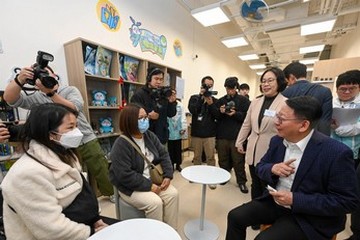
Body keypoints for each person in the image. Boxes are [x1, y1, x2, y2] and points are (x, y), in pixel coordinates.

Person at [226, 96, 359, 240]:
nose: (275, 122)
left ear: (303, 125)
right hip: (276, 203)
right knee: (235, 216)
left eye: (281, 119)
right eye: (277, 116)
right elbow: (260, 167)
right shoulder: (277, 141)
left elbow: (347, 202)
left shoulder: (336, 153)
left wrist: (295, 199)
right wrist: (272, 168)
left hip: (310, 215)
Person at [1, 103, 117, 240]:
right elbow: (51, 229)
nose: (77, 132)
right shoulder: (26, 174)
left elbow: (82, 193)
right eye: (70, 127)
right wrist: (91, 232)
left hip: (80, 226)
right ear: (51, 134)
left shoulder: (66, 155)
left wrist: (95, 220)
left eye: (76, 126)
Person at [3, 65, 114, 198]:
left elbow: (75, 109)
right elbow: (10, 100)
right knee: (76, 175)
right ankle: (84, 199)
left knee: (101, 170)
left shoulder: (69, 90)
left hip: (85, 138)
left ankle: (111, 194)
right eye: (39, 76)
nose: (44, 79)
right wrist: (19, 80)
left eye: (46, 75)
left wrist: (51, 93)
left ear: (54, 76)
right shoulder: (36, 97)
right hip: (61, 144)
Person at [109, 103, 179, 229]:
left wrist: (168, 175)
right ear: (130, 121)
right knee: (155, 203)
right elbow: (124, 175)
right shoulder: (121, 144)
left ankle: (170, 232)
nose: (145, 120)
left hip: (153, 180)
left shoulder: (149, 136)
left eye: (146, 117)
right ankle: (155, 235)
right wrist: (149, 186)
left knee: (173, 194)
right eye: (141, 118)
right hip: (130, 187)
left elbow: (164, 154)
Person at [235, 67, 287, 228]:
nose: (266, 84)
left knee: (268, 187)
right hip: (253, 149)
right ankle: (254, 217)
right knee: (255, 185)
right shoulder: (255, 102)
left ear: (279, 82)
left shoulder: (285, 103)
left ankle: (267, 219)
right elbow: (247, 124)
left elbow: (285, 129)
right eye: (263, 81)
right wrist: (239, 141)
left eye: (270, 80)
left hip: (272, 152)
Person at [330, 70, 360, 240]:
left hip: (352, 154)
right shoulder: (331, 103)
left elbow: (358, 128)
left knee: (349, 190)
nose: (347, 92)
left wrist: (337, 128)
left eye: (352, 88)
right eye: (343, 89)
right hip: (331, 152)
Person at [216, 77, 250, 193]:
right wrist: (220, 112)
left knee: (238, 161)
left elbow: (247, 117)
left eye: (232, 89)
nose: (230, 91)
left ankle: (241, 182)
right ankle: (223, 177)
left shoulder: (244, 101)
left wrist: (236, 114)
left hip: (237, 135)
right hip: (222, 135)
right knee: (223, 159)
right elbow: (216, 117)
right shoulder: (221, 100)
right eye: (227, 89)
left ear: (236, 88)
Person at [282, 61, 333, 136]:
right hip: (315, 137)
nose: (288, 85)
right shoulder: (324, 91)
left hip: (291, 136)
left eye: (287, 82)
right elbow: (325, 122)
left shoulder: (284, 93)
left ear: (292, 77)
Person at [130, 67, 176, 144]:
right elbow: (133, 115)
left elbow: (171, 114)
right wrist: (148, 115)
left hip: (162, 137)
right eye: (156, 78)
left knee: (163, 156)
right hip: (146, 137)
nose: (159, 82)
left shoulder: (163, 94)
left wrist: (172, 103)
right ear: (149, 79)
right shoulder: (139, 95)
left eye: (161, 79)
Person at [188, 76, 219, 189]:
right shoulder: (194, 98)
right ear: (202, 85)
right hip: (197, 133)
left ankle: (211, 178)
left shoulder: (215, 100)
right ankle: (196, 176)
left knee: (210, 157)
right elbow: (193, 110)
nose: (209, 87)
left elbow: (217, 115)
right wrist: (201, 98)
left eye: (211, 85)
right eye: (207, 85)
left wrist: (210, 104)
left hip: (210, 134)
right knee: (197, 157)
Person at [167, 89, 187, 172]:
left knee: (178, 149)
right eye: (171, 94)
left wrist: (183, 128)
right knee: (170, 150)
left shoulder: (180, 105)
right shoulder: (166, 104)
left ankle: (178, 165)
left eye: (174, 94)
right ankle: (171, 165)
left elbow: (183, 117)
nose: (173, 96)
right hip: (169, 130)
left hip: (178, 131)